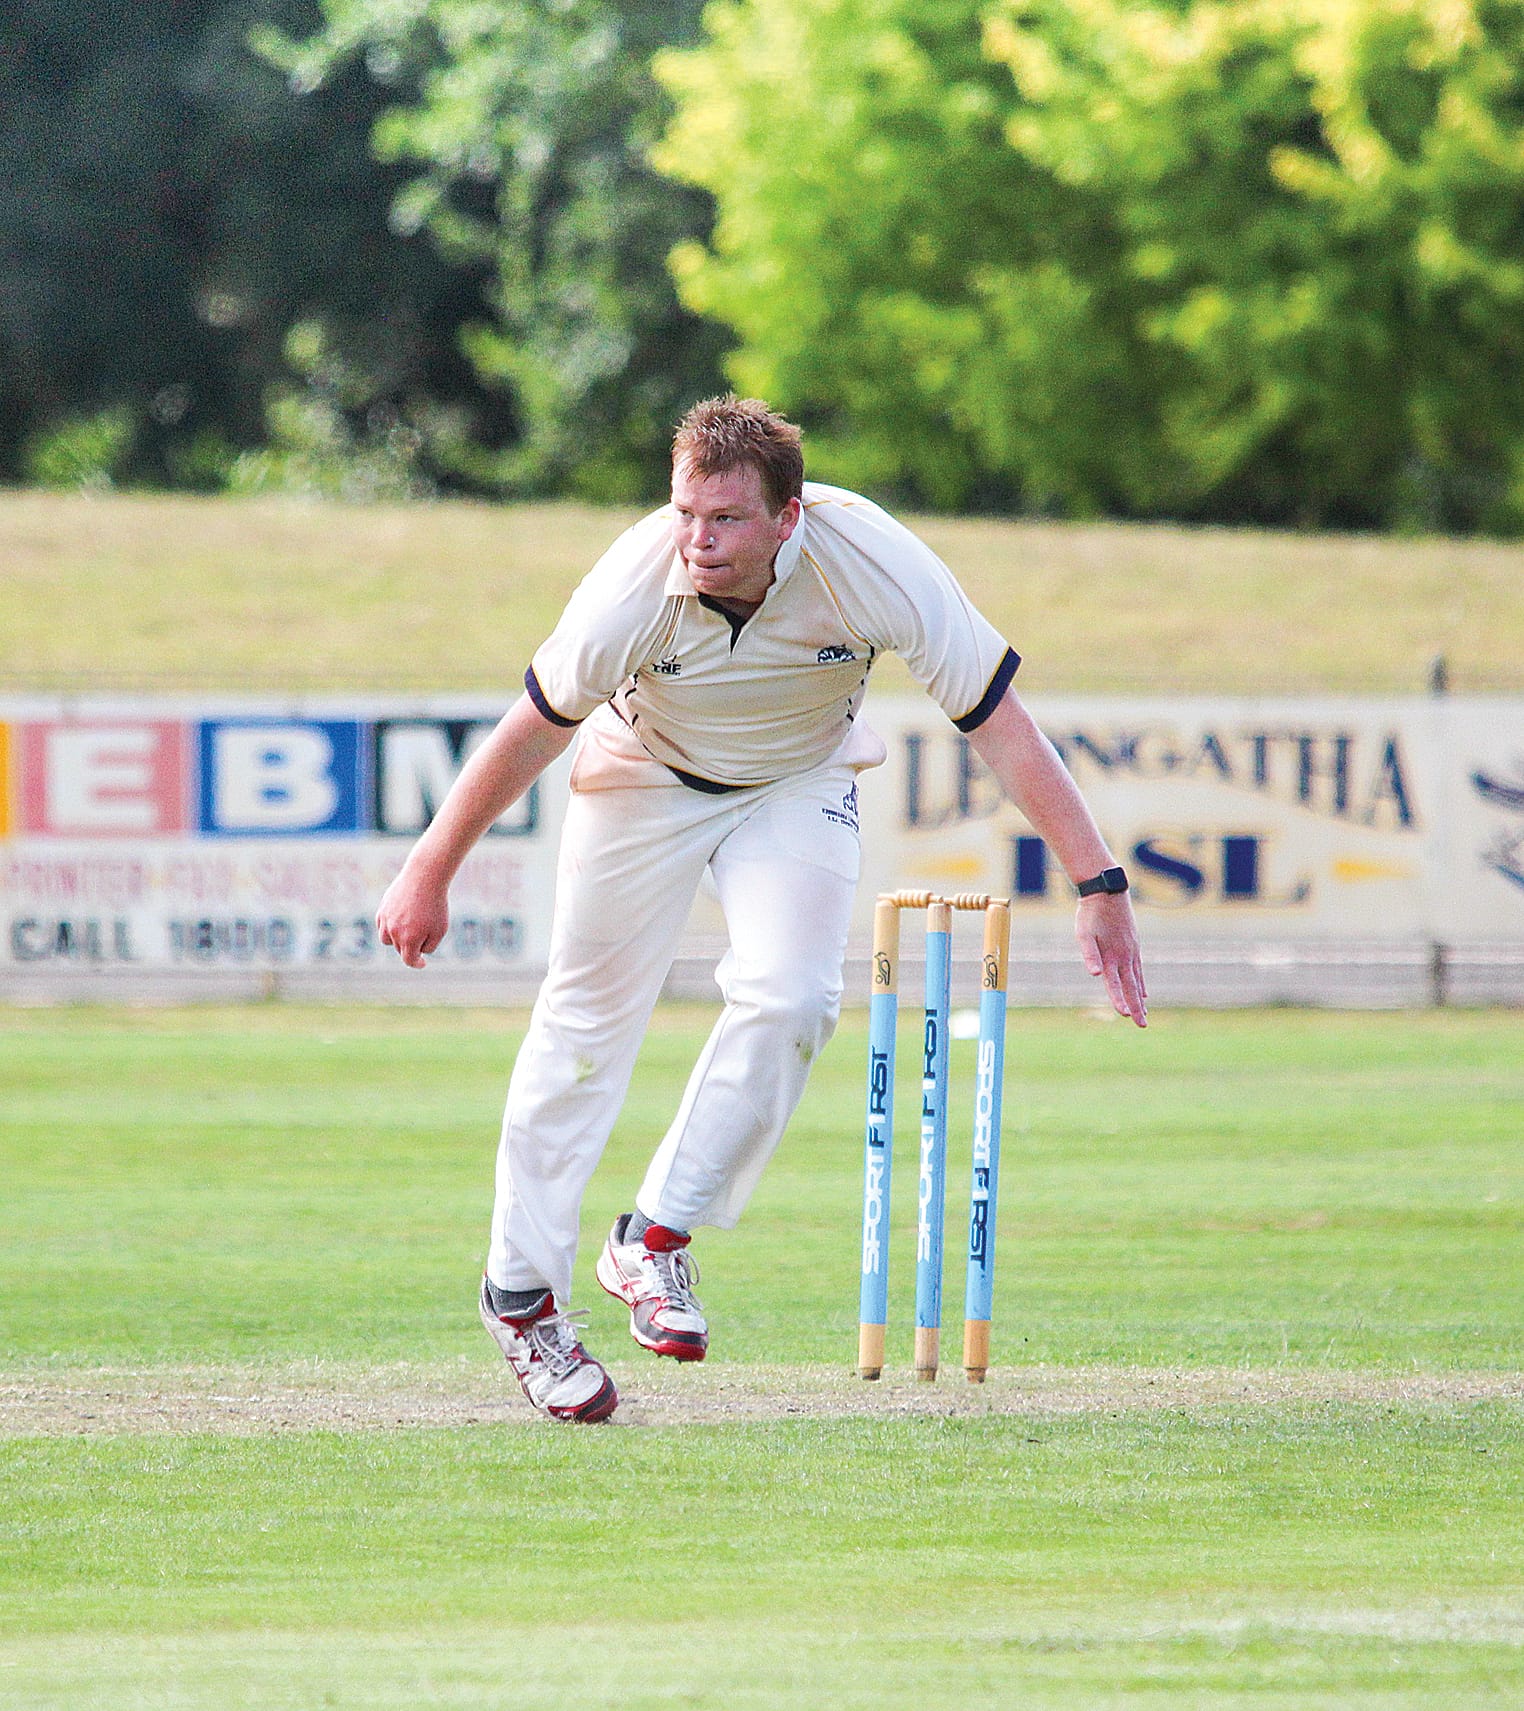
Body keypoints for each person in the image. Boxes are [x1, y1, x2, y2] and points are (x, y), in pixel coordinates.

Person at [376, 395, 1146, 1423]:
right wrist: (430, 868)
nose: (699, 538)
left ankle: (653, 1236)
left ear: (789, 517)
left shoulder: (869, 558)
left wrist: (1099, 883)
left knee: (793, 999)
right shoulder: (632, 590)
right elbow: (530, 731)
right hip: (641, 773)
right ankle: (522, 1301)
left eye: (727, 518)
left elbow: (999, 724)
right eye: (688, 512)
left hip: (796, 777)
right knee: (583, 1033)